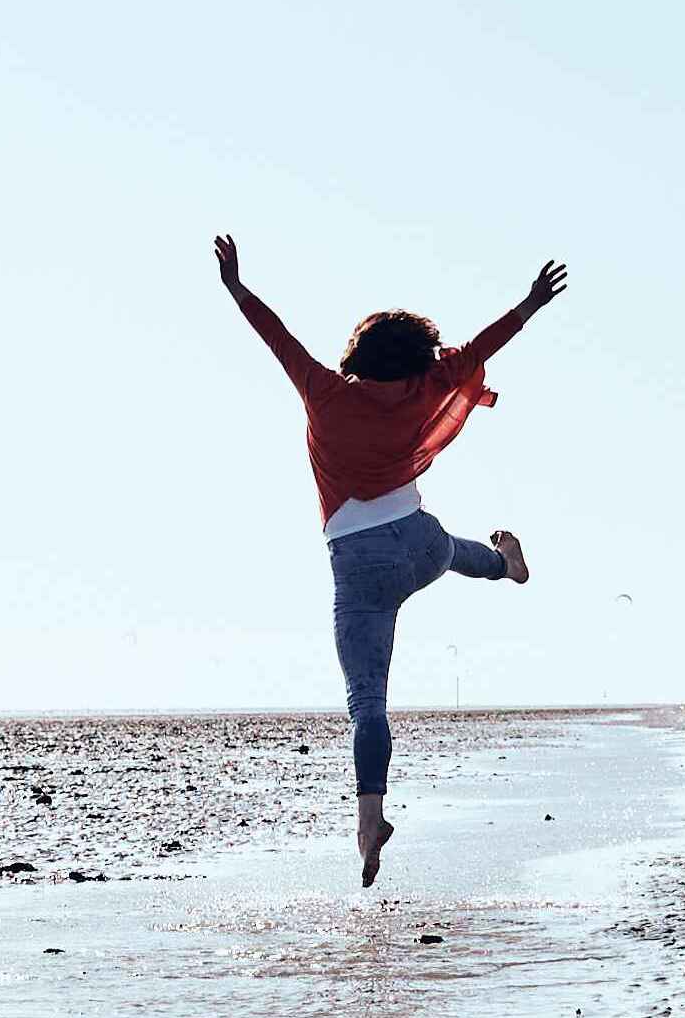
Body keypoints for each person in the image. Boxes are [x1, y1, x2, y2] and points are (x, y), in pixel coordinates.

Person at [216, 236, 563, 885]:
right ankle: (505, 565)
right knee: (453, 553)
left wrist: (235, 285)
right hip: (418, 541)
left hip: (361, 564)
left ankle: (370, 820)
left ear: (359, 354)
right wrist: (530, 303)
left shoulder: (323, 390)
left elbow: (277, 336)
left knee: (368, 700)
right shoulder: (428, 385)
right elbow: (481, 348)